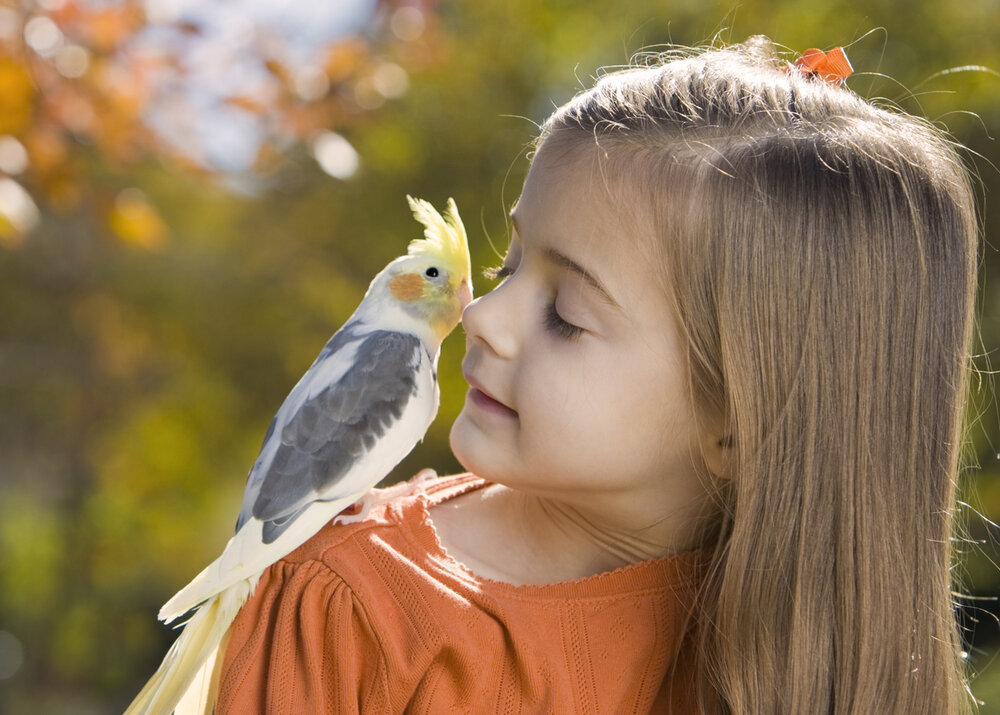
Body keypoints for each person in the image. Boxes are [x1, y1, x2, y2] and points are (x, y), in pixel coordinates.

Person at [215, 36, 980, 713]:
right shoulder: (349, 606)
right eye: (507, 267)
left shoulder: (812, 652)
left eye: (567, 314)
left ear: (738, 422)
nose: (483, 317)